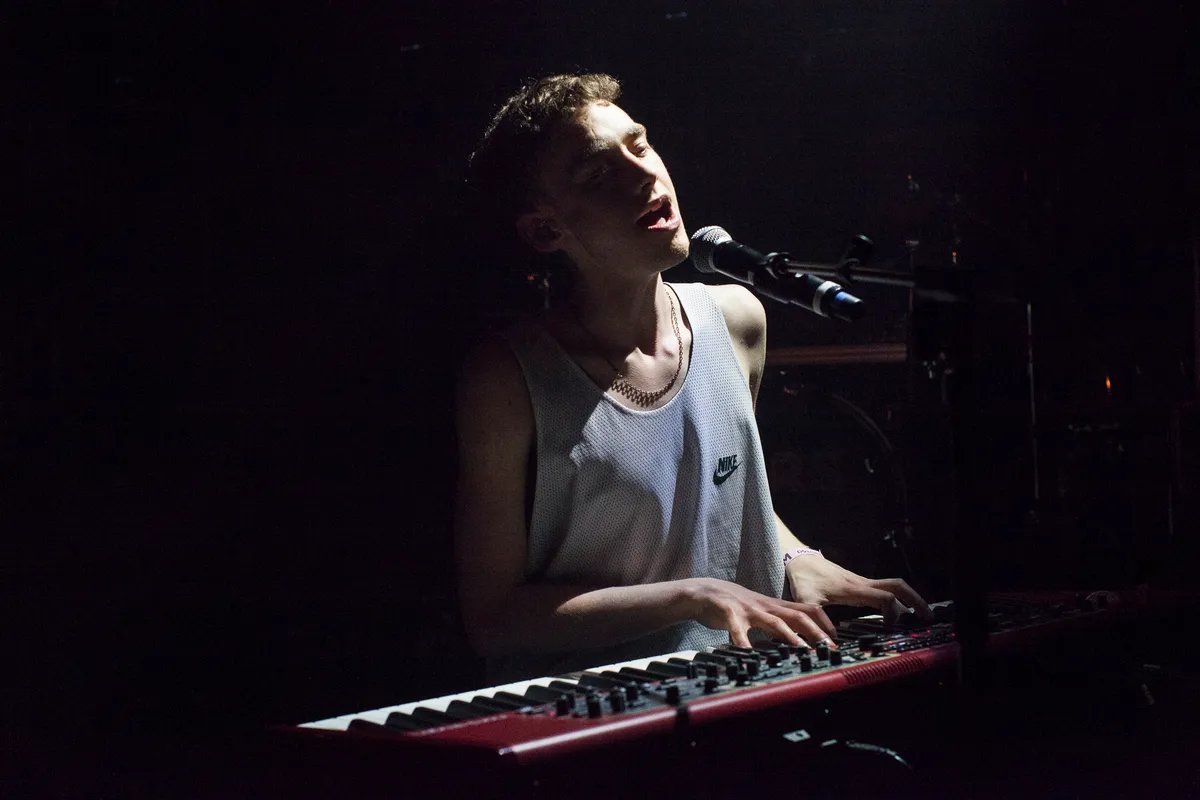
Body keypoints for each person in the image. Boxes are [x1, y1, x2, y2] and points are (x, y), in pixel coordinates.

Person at [457, 73, 930, 682]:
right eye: (599, 173)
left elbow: (719, 496)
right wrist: (690, 595)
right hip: (595, 720)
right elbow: (494, 619)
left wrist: (794, 554)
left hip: (746, 690)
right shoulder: (506, 378)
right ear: (547, 230)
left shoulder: (737, 320)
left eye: (640, 145)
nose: (644, 174)